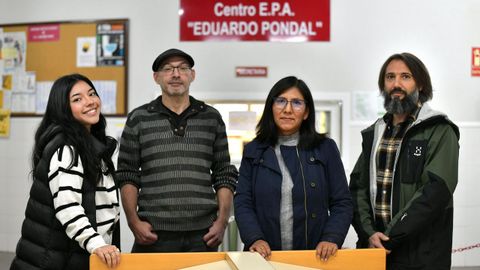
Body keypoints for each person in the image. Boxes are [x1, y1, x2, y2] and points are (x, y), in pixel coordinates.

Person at [116, 48, 238, 252]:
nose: (175, 74)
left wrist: (222, 221)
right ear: (156, 77)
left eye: (182, 68)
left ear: (192, 75)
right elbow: (127, 174)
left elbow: (224, 173)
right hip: (153, 235)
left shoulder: (211, 118)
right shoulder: (139, 118)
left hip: (203, 235)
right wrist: (133, 221)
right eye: (168, 69)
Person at [349, 53, 459, 270]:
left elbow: (436, 191)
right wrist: (369, 234)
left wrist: (389, 237)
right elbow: (357, 188)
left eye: (405, 77)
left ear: (421, 84)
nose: (396, 84)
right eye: (390, 77)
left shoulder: (440, 130)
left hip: (421, 255)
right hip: (374, 252)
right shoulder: (375, 132)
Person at [234, 76, 353, 261]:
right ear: (271, 107)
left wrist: (332, 238)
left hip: (314, 257)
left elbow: (342, 202)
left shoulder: (325, 148)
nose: (287, 109)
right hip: (263, 257)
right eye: (281, 101)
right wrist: (253, 238)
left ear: (306, 112)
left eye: (297, 103)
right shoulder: (254, 149)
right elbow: (243, 201)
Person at [10, 74, 121, 269]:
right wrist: (97, 245)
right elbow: (68, 208)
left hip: (77, 253)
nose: (90, 102)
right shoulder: (67, 149)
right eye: (77, 99)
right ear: (63, 109)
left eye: (92, 94)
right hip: (57, 260)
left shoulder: (90, 144)